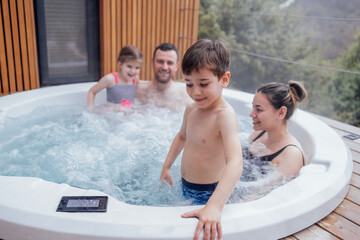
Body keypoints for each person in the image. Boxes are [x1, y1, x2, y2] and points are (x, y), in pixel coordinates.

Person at [160, 39, 243, 240]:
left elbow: (235, 162)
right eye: (189, 84)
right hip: (186, 186)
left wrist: (214, 206)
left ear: (224, 79)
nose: (195, 92)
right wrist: (167, 166)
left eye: (203, 84)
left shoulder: (224, 115)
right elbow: (181, 137)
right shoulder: (191, 108)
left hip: (209, 193)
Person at [246, 80, 307, 176]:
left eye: (259, 109)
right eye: (252, 107)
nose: (251, 114)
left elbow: (260, 190)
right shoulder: (257, 135)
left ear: (281, 113)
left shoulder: (291, 155)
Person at [135, 43, 191, 110]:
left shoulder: (186, 96)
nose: (164, 67)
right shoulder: (137, 90)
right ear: (152, 62)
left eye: (169, 63)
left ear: (176, 66)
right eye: (160, 61)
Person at [87, 45, 142, 110]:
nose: (133, 71)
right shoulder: (110, 79)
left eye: (137, 68)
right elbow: (92, 92)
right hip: (112, 115)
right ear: (120, 64)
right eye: (129, 66)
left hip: (129, 115)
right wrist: (90, 111)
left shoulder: (135, 79)